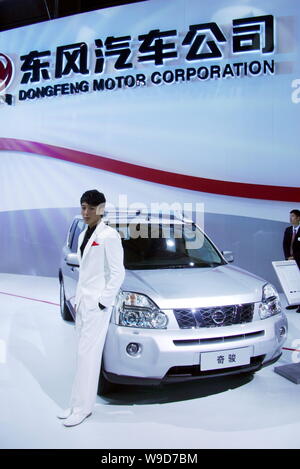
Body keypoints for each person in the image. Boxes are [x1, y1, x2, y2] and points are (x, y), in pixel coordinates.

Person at [57, 189, 125, 426]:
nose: (85, 212)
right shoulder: (84, 233)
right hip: (83, 303)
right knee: (82, 355)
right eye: (83, 207)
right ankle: (76, 404)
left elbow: (118, 273)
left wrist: (102, 301)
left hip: (97, 306)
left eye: (90, 208)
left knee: (88, 356)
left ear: (101, 209)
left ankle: (84, 409)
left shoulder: (109, 236)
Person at [283, 209, 300, 313]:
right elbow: (285, 245)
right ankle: (294, 302)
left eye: (293, 216)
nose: (290, 218)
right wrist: (288, 256)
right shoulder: (288, 230)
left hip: (299, 260)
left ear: (298, 218)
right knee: (291, 282)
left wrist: (295, 257)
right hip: (289, 260)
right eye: (290, 216)